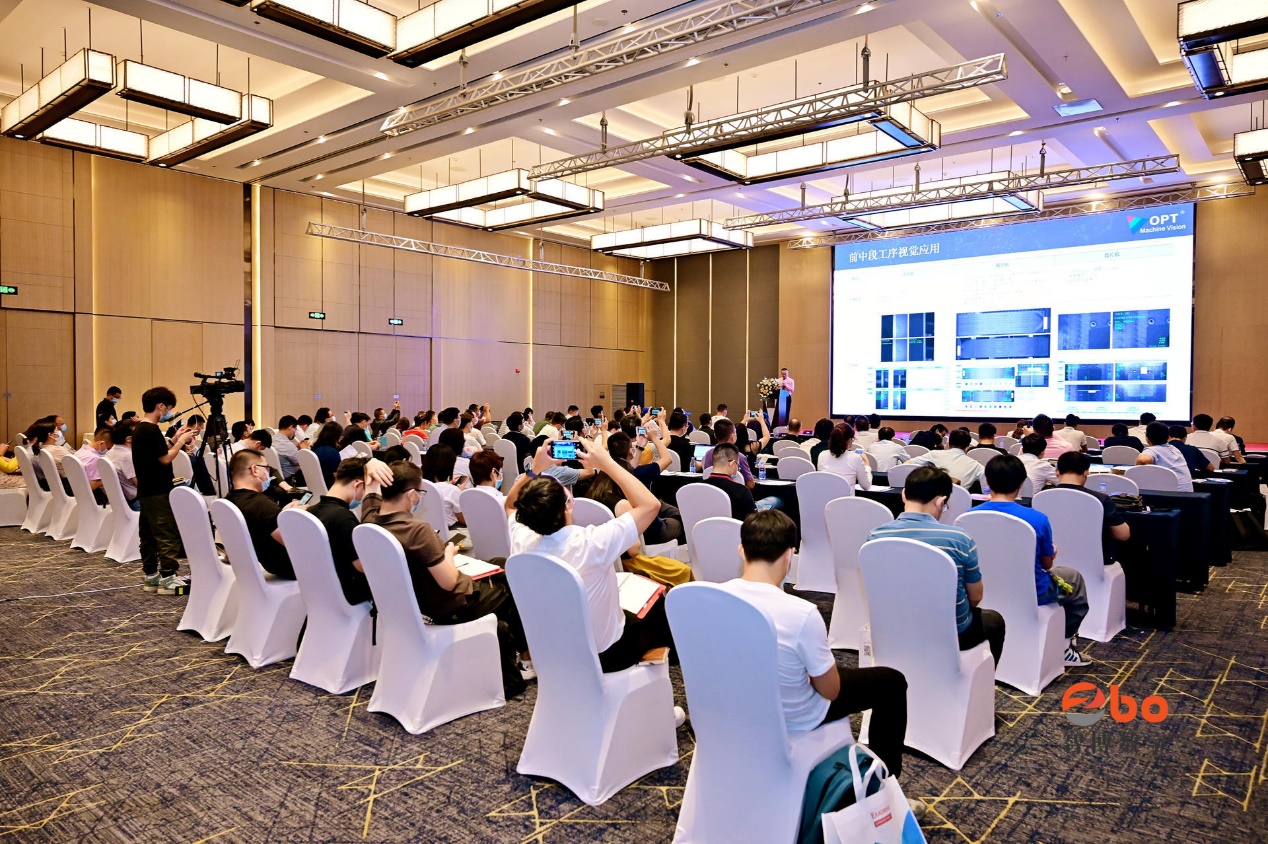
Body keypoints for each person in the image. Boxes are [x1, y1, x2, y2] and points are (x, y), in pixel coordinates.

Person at [720, 510, 921, 817]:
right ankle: (883, 789)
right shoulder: (801, 613)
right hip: (796, 714)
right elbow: (830, 690)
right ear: (790, 555)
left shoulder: (711, 597)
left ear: (741, 550)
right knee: (891, 683)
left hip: (732, 705)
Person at [506, 439, 681, 695]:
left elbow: (510, 504)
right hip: (606, 654)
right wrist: (607, 463)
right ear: (569, 503)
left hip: (552, 650)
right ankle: (660, 695)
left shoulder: (522, 539)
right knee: (657, 603)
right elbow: (650, 505)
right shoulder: (592, 542)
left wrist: (535, 469)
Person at [365, 459, 532, 696]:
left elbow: (370, 492)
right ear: (411, 495)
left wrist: (370, 464)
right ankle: (527, 660)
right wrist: (449, 555)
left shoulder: (370, 520)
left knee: (499, 565)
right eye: (420, 493)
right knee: (512, 587)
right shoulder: (417, 530)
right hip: (451, 604)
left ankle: (516, 655)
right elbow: (449, 581)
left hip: (421, 600)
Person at [868, 466, 1006, 666]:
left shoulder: (875, 536)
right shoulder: (959, 539)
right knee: (994, 620)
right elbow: (975, 597)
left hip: (895, 627)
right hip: (952, 633)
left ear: (904, 494)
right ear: (941, 501)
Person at [973, 455, 1091, 666]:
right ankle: (1065, 646)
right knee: (1074, 579)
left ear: (987, 481)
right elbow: (1047, 565)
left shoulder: (968, 516)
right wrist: (1051, 552)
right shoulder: (1037, 519)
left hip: (983, 587)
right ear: (1021, 483)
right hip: (1033, 590)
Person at [134, 387, 199, 594]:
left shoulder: (141, 428)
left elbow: (155, 453)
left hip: (146, 488)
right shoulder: (151, 429)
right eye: (169, 408)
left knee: (148, 534)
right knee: (166, 533)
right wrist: (181, 441)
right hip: (158, 488)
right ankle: (169, 577)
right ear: (160, 406)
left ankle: (151, 575)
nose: (169, 413)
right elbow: (164, 459)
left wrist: (173, 439)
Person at [306, 456, 395, 606]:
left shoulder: (311, 511)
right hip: (349, 593)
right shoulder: (344, 519)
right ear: (358, 485)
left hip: (322, 591)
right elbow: (364, 566)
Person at [225, 449, 298, 579]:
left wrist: (281, 514)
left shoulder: (228, 501)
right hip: (293, 568)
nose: (268, 473)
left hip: (264, 566)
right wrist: (297, 518)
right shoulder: (260, 504)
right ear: (255, 470)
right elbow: (294, 542)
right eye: (266, 468)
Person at [1056, 451, 1130, 565]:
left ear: (1057, 471)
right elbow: (1123, 535)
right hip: (1094, 562)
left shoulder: (1040, 497)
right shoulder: (1100, 499)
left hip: (1051, 560)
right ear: (1086, 473)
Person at [906, 429, 984, 491]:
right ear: (967, 447)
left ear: (948, 444)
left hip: (931, 500)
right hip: (961, 504)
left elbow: (907, 464)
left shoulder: (933, 454)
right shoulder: (975, 465)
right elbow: (988, 480)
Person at [705, 443, 760, 520]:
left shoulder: (695, 488)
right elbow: (753, 522)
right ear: (733, 464)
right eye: (738, 465)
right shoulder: (742, 491)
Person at [1136, 421, 1194, 491]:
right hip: (1188, 494)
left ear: (1147, 439)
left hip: (1169, 495)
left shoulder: (1152, 450)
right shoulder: (1175, 450)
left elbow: (1142, 460)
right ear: (1168, 437)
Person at [421, 444, 467, 528]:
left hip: (421, 530)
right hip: (447, 533)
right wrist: (460, 492)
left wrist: (448, 485)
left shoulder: (416, 484)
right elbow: (464, 520)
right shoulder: (453, 491)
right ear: (449, 466)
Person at [817, 423, 872, 489]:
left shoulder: (822, 455)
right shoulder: (855, 458)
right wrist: (867, 465)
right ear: (849, 440)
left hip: (826, 495)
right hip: (846, 496)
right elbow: (866, 486)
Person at [71, 426, 114, 505]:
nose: (108, 451)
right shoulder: (94, 459)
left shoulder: (79, 452)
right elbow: (92, 485)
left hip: (79, 496)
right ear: (102, 443)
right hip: (96, 499)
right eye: (108, 448)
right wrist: (109, 476)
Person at [104, 422, 138, 507]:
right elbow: (138, 483)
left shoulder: (110, 452)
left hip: (120, 500)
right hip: (136, 500)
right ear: (129, 439)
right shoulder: (127, 456)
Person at [272, 415, 306, 481]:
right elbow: (304, 464)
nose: (295, 432)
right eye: (295, 429)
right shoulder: (288, 445)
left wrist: (296, 448)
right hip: (291, 479)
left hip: (276, 477)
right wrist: (305, 450)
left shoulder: (271, 439)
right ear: (290, 427)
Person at [311, 421, 344, 488]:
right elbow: (337, 476)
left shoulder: (314, 449)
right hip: (330, 486)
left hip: (316, 485)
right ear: (337, 436)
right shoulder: (332, 453)